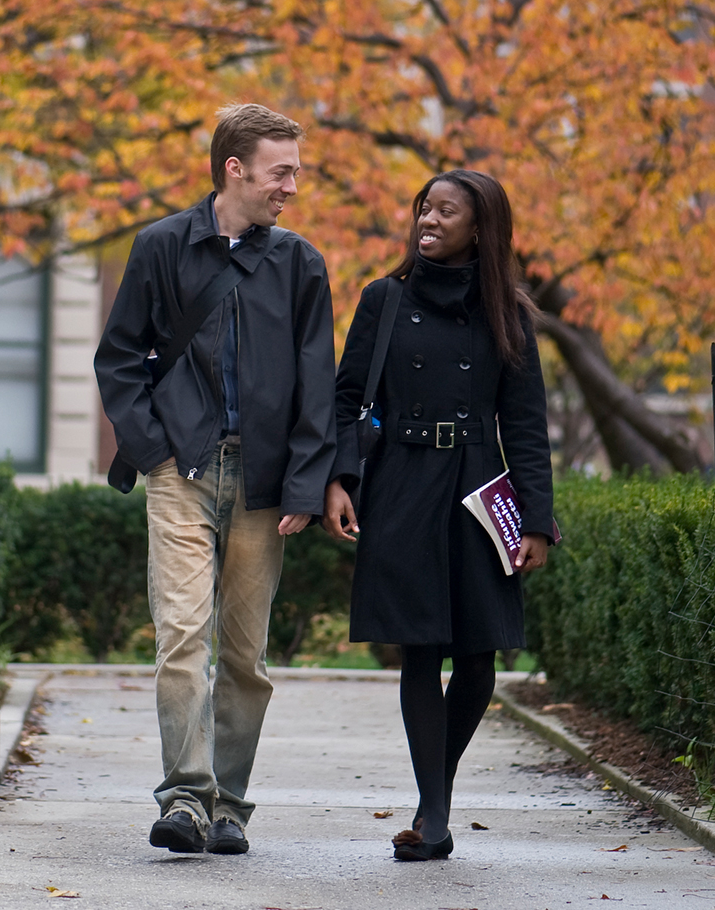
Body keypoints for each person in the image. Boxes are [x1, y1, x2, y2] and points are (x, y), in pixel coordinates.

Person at [94, 103, 337, 855]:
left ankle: (231, 806)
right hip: (183, 472)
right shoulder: (161, 247)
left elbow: (315, 384)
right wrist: (156, 450)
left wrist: (303, 485)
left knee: (244, 655)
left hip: (266, 486)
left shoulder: (300, 263)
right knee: (181, 639)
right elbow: (120, 359)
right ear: (235, 169)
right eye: (282, 170)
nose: (292, 185)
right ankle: (187, 802)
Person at [322, 169, 553, 861]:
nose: (429, 217)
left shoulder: (508, 314)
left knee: (479, 656)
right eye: (425, 206)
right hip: (400, 485)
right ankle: (436, 815)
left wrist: (537, 520)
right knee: (419, 648)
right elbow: (345, 398)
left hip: (481, 487)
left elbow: (527, 423)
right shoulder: (383, 300)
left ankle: (434, 796)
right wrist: (340, 480)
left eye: (445, 210)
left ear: (480, 227)